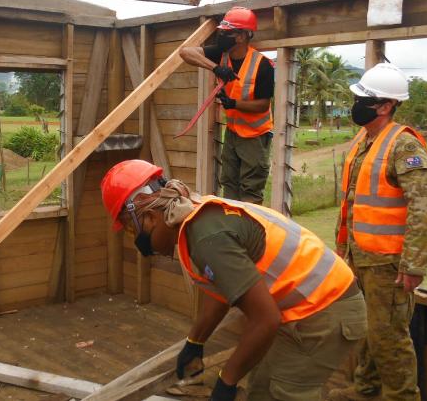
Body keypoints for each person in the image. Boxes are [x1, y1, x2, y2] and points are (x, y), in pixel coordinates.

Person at [101, 159, 367, 401]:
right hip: (312, 308)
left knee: (283, 393)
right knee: (261, 388)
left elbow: (266, 319)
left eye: (130, 228)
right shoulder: (198, 216)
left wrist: (225, 381)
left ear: (149, 217)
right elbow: (224, 290)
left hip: (327, 314)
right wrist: (195, 342)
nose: (136, 239)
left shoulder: (207, 238)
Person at [327, 63, 427, 401]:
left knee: (389, 338)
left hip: (388, 262)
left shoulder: (404, 146)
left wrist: (413, 265)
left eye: (364, 99)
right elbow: (354, 201)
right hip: (361, 255)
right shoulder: (365, 140)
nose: (356, 103)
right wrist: (344, 250)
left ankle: (402, 396)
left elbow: (423, 207)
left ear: (386, 105)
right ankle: (366, 390)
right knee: (370, 332)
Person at [179, 6, 275, 204]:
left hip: (255, 137)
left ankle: (248, 230)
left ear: (241, 36)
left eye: (226, 32)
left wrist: (233, 103)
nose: (221, 36)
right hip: (233, 133)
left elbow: (263, 105)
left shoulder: (262, 64)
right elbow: (185, 52)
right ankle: (231, 226)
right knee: (229, 183)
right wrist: (215, 68)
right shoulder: (221, 54)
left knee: (251, 189)